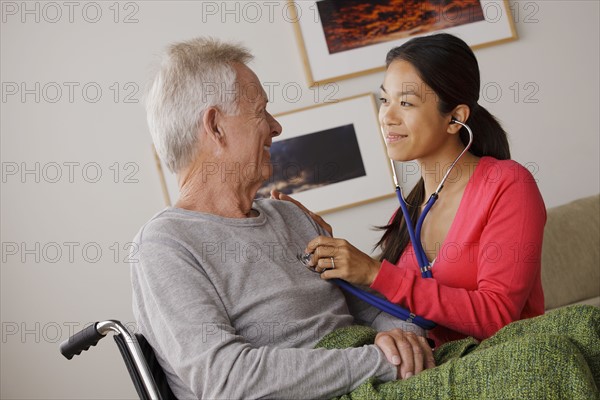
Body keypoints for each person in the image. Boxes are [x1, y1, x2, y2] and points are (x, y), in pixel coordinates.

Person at [131, 37, 435, 400]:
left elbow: (375, 310)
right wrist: (385, 363)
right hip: (357, 382)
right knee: (523, 361)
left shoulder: (290, 216)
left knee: (522, 337)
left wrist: (406, 339)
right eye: (260, 112)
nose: (276, 127)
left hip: (384, 374)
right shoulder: (166, 245)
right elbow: (227, 381)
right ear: (215, 127)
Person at [272, 33, 547, 346]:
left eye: (406, 103)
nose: (387, 116)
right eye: (385, 100)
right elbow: (394, 308)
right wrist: (318, 237)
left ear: (455, 118)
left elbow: (499, 318)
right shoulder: (408, 213)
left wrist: (375, 273)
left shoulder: (508, 185)